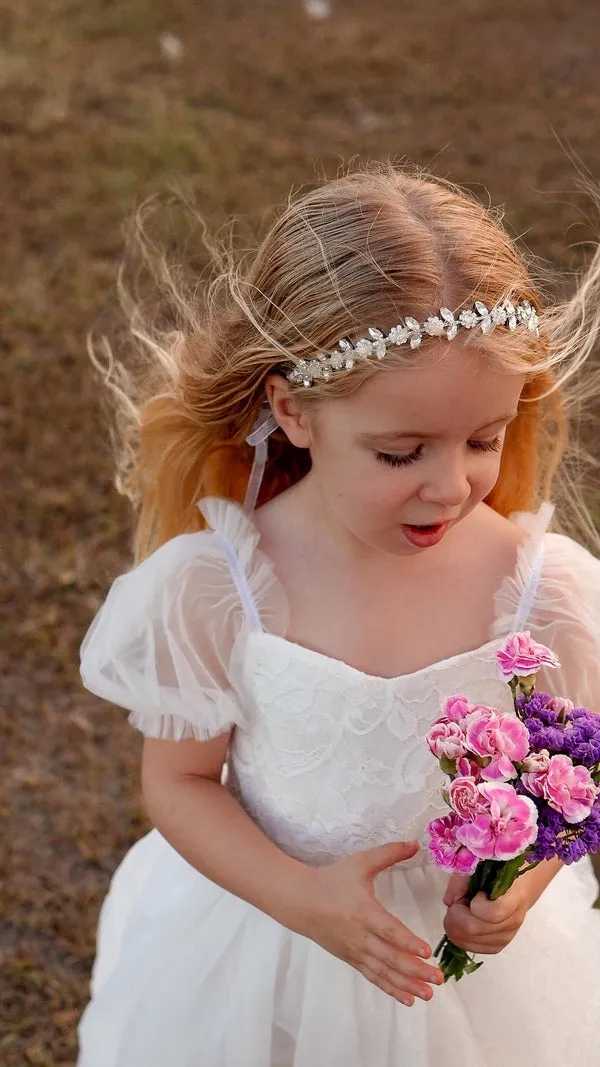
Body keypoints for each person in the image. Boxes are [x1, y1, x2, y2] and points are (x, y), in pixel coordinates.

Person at [77, 164, 600, 1066]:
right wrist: (302, 898)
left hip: (468, 989)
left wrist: (519, 885)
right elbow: (179, 783)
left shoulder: (537, 589)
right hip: (269, 943)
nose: (452, 484)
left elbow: (573, 772)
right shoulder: (223, 587)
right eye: (401, 452)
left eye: (485, 438)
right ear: (293, 409)